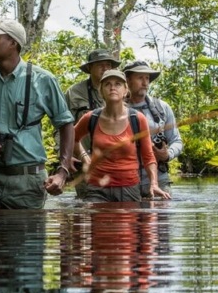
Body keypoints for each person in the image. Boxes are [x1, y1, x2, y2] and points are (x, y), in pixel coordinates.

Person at [0, 19, 76, 210]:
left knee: (24, 234)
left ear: (13, 42)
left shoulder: (43, 80)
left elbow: (65, 124)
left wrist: (62, 172)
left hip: (29, 178)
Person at [73, 69, 170, 202]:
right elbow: (72, 138)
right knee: (97, 221)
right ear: (101, 91)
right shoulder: (91, 117)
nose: (112, 87)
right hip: (97, 189)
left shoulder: (137, 119)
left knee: (126, 222)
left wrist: (154, 184)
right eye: (107, 84)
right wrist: (84, 157)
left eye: (118, 84)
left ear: (125, 90)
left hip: (129, 188)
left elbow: (148, 156)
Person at [62, 49, 120, 199]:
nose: (105, 68)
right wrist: (64, 155)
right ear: (89, 68)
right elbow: (62, 127)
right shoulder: (74, 92)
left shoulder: (120, 91)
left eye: (108, 65)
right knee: (87, 207)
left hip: (116, 163)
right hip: (84, 161)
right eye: (100, 65)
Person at [123, 61, 183, 197]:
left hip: (159, 180)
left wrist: (167, 154)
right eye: (140, 78)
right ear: (127, 81)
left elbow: (177, 141)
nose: (145, 83)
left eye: (147, 78)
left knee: (161, 215)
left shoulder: (162, 108)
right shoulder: (115, 110)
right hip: (126, 182)